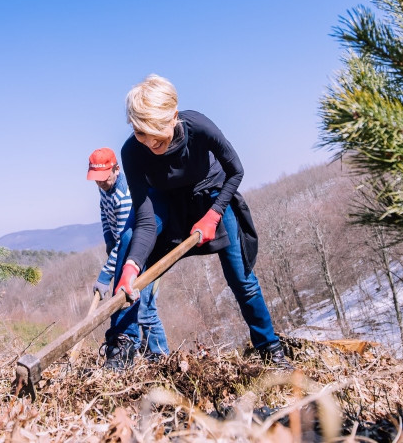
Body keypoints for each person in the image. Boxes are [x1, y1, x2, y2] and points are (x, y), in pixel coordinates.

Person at [101, 74, 292, 371]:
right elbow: (146, 220)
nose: (150, 142)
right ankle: (122, 346)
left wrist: (214, 214)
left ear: (173, 117)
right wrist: (130, 269)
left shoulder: (199, 127)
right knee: (128, 247)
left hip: (211, 196)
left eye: (157, 133)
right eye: (141, 133)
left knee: (241, 277)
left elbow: (236, 171)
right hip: (165, 203)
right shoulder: (132, 152)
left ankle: (270, 348)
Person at [86, 147, 169, 365]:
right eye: (96, 179)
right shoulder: (104, 188)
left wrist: (105, 275)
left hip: (143, 254)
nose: (100, 183)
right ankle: (147, 354)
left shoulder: (125, 194)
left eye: (104, 178)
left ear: (116, 169)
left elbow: (127, 240)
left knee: (145, 308)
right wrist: (108, 241)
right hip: (123, 251)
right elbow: (104, 214)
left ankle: (161, 357)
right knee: (135, 305)